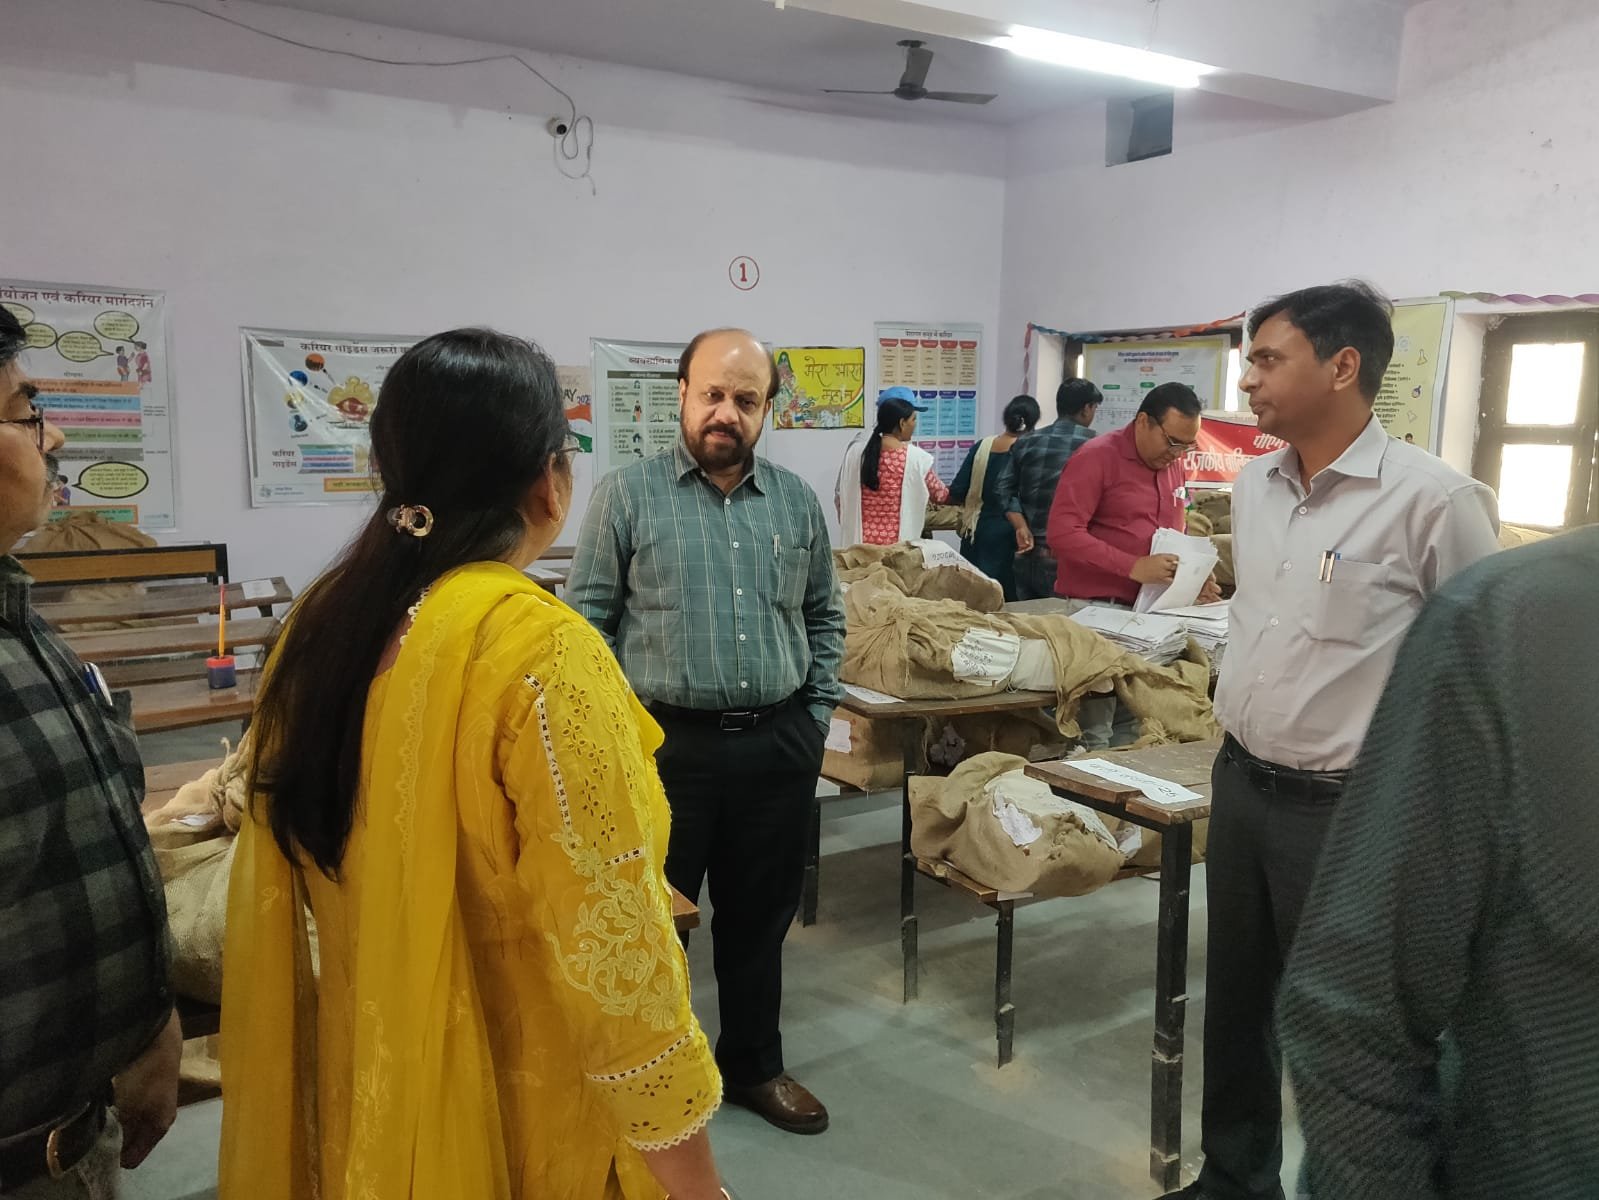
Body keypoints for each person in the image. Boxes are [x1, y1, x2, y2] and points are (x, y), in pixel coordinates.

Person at [219, 329, 726, 1200]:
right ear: (548, 480)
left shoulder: (323, 626)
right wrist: (696, 1186)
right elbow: (616, 956)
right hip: (519, 1116)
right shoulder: (538, 651)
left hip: (372, 1082)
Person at [1166, 282, 1501, 1200]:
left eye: (1268, 359)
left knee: (1357, 1025)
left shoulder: (1433, 502)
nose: (1248, 378)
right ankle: (1233, 1178)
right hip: (1240, 785)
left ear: (1342, 365)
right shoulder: (1253, 486)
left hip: (1352, 812)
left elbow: (1483, 677)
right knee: (1236, 1002)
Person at [569, 328, 845, 1138]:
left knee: (761, 919)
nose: (726, 413)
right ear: (681, 396)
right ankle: (651, 1079)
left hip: (776, 747)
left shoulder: (794, 501)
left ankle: (754, 1065)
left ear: (769, 408)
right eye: (712, 395)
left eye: (746, 400)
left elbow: (825, 614)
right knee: (652, 927)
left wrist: (814, 715)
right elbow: (589, 626)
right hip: (664, 753)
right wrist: (617, 742)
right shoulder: (625, 495)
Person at [1278, 526, 1599, 1200]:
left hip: (1353, 779)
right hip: (1294, 783)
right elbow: (1353, 1013)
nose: (1251, 410)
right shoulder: (1513, 623)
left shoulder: (1435, 502)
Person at [0, 304, 182, 1193]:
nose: (54, 435)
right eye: (24, 412)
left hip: (69, 1132)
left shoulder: (20, 624)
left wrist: (148, 1030)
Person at [1006, 377, 1101, 600]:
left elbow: (1004, 489)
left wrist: (1020, 526)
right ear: (1087, 408)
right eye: (1094, 407)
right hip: (1067, 558)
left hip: (1024, 552)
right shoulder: (1097, 447)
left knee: (1026, 625)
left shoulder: (1027, 441)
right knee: (1061, 629)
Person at [945, 393, 1038, 598]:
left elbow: (958, 490)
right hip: (1015, 537)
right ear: (1033, 423)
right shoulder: (1030, 451)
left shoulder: (982, 447)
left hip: (977, 533)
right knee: (1007, 603)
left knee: (975, 599)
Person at [837, 387, 949, 546]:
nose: (915, 424)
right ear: (902, 422)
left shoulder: (856, 452)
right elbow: (941, 496)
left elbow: (841, 496)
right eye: (914, 419)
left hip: (860, 548)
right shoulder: (916, 458)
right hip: (896, 551)